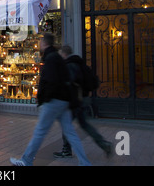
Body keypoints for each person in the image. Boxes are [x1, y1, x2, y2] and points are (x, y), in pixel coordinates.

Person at [10, 33, 91, 166]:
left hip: (53, 101)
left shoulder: (51, 58)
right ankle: (85, 163)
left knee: (40, 132)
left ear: (45, 43)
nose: (39, 44)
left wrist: (43, 97)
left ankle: (26, 160)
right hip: (63, 100)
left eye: (41, 42)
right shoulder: (57, 57)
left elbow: (49, 81)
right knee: (70, 133)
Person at [53, 45, 111, 158]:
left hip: (76, 100)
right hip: (84, 99)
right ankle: (104, 144)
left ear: (64, 54)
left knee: (66, 124)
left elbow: (70, 83)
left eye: (60, 54)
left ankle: (66, 150)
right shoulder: (79, 62)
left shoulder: (70, 65)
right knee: (84, 125)